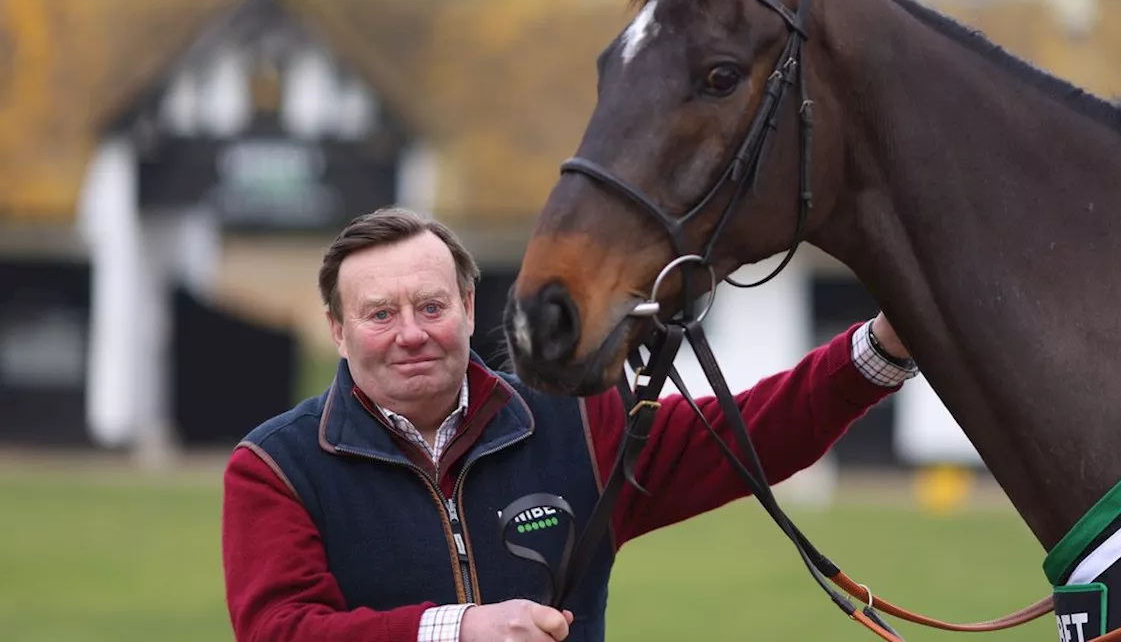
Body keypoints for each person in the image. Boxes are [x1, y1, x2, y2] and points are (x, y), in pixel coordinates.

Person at [220, 207, 918, 642]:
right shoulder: (276, 468)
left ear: (467, 305)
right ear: (338, 331)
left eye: (431, 307)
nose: (411, 334)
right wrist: (457, 631)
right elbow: (281, 631)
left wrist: (886, 347)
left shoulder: (580, 422)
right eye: (379, 315)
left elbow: (758, 432)